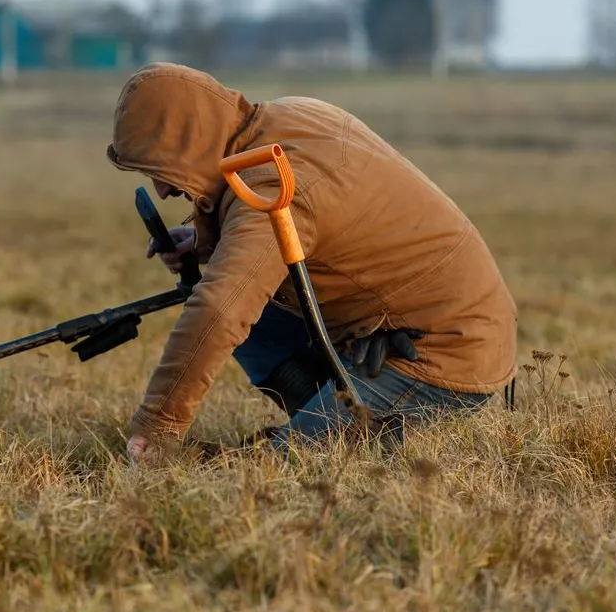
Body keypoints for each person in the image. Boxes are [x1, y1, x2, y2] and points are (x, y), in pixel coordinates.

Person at [106, 63, 518, 463]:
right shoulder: (286, 117)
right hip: (402, 325)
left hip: (442, 351)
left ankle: (334, 433)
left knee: (277, 471)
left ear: (190, 142)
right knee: (247, 302)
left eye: (162, 170)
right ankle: (323, 413)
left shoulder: (272, 185)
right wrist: (202, 239)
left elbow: (220, 309)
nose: (161, 191)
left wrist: (158, 425)